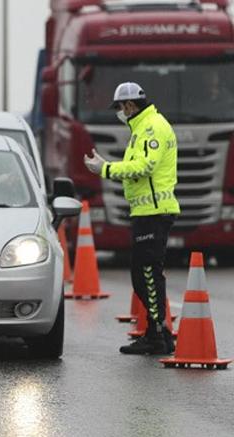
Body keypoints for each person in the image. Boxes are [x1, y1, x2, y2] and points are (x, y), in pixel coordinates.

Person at [84, 82, 180, 355]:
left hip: (155, 211)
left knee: (147, 274)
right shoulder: (141, 128)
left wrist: (106, 169)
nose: (119, 113)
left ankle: (159, 335)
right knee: (142, 274)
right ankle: (156, 333)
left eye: (119, 108)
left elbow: (145, 166)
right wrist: (107, 166)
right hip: (145, 211)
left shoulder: (152, 128)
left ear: (129, 106)